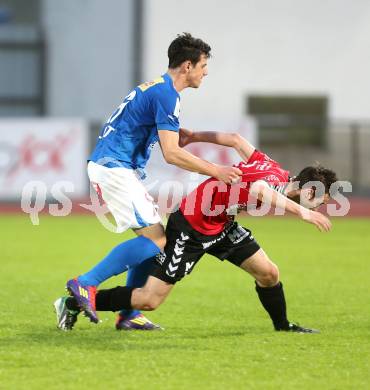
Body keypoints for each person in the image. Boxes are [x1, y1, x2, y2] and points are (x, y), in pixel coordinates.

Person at [54, 33, 242, 330]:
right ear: (187, 66)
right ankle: (85, 284)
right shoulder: (168, 94)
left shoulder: (158, 88)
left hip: (113, 166)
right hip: (113, 167)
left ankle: (128, 315)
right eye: (203, 65)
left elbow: (143, 124)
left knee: (155, 238)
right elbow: (171, 154)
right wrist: (215, 170)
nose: (206, 72)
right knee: (156, 241)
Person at [59, 132, 337, 333]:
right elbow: (258, 190)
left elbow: (236, 140)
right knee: (149, 299)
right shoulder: (273, 180)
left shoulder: (274, 168)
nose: (321, 206)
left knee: (269, 273)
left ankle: (283, 327)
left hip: (222, 225)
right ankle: (73, 303)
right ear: (309, 189)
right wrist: (305, 212)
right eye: (321, 200)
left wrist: (193, 136)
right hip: (192, 226)